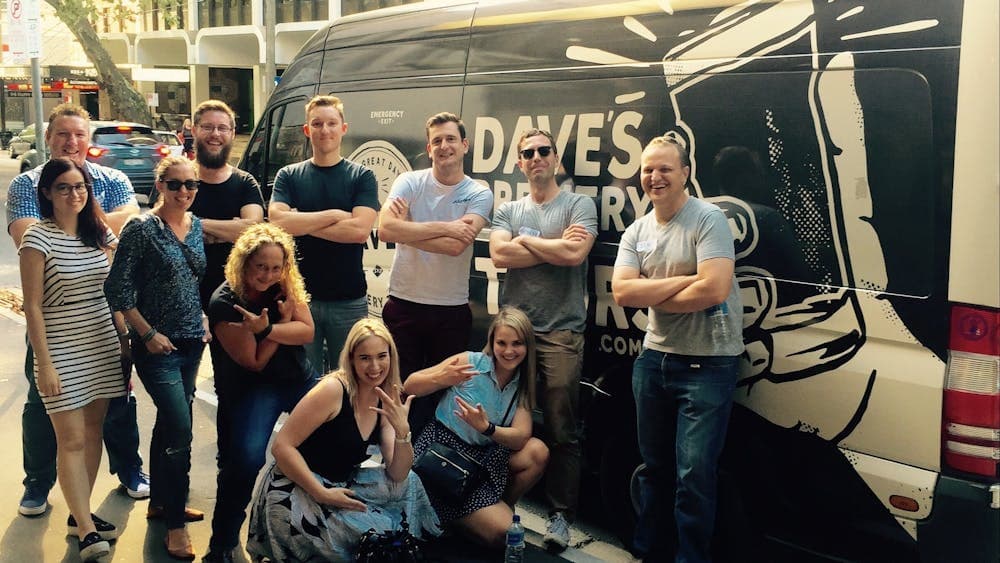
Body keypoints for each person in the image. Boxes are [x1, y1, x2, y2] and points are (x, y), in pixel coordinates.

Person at [5, 102, 149, 517]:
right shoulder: (27, 185)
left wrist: (88, 210)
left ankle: (129, 471)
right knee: (42, 404)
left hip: (102, 325)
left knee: (118, 404)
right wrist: (89, 216)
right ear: (48, 138)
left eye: (79, 134)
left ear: (90, 139)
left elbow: (126, 231)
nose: (72, 142)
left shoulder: (113, 178)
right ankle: (38, 484)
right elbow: (27, 236)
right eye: (63, 134)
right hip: (55, 324)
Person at [611, 136, 743, 563]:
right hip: (654, 362)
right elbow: (621, 293)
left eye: (665, 168)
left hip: (708, 365)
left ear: (686, 173)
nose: (655, 177)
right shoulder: (637, 229)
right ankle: (648, 553)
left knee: (694, 477)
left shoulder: (708, 219)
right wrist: (687, 282)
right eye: (648, 169)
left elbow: (715, 288)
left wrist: (649, 293)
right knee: (655, 470)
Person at [247, 318, 440, 561]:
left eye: (382, 356)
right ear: (351, 359)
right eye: (364, 358)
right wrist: (321, 493)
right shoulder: (333, 390)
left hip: (340, 482)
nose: (375, 366)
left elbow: (398, 473)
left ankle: (407, 546)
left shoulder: (386, 393)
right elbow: (282, 446)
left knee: (410, 483)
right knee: (377, 533)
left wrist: (403, 432)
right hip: (297, 487)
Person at [488, 128, 597, 550]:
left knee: (561, 427)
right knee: (501, 418)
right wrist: (552, 244)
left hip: (561, 332)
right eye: (527, 153)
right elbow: (500, 255)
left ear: (556, 159)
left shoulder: (577, 204)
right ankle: (494, 500)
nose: (536, 158)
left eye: (543, 151)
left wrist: (527, 240)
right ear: (520, 163)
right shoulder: (509, 208)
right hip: (514, 333)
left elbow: (574, 255)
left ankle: (560, 516)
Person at [19, 157, 126, 561]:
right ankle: (84, 529)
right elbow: (32, 307)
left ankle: (81, 513)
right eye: (63, 187)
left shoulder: (97, 234)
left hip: (100, 343)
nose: (74, 193)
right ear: (47, 193)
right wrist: (44, 364)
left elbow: (117, 286)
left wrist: (124, 339)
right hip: (60, 349)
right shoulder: (37, 239)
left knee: (94, 431)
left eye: (79, 186)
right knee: (72, 438)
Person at [105, 156, 210, 561]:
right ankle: (175, 527)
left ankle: (162, 502)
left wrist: (201, 316)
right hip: (157, 347)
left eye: (191, 185)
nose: (184, 192)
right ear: (160, 184)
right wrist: (146, 334)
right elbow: (117, 289)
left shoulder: (196, 224)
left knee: (170, 424)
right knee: (181, 432)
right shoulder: (141, 228)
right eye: (175, 184)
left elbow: (191, 280)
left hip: (191, 343)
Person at [202, 223, 320, 563]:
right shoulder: (226, 302)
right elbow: (253, 361)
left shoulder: (285, 284)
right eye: (261, 267)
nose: (269, 275)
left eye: (276, 267)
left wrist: (269, 328)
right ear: (244, 264)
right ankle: (222, 544)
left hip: (296, 377)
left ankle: (307, 530)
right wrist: (275, 329)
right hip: (251, 389)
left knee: (330, 436)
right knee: (245, 461)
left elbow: (307, 331)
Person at [377, 111, 493, 436]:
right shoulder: (410, 181)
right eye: (437, 141)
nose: (444, 146)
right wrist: (445, 227)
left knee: (443, 395)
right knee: (399, 392)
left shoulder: (479, 193)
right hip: (404, 303)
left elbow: (457, 246)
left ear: (465, 145)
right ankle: (397, 466)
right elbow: (385, 229)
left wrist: (408, 228)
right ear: (429, 149)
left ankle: (431, 469)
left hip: (450, 310)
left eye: (451, 139)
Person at [403, 307, 549, 547]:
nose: (509, 351)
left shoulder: (523, 382)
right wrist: (442, 378)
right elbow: (410, 385)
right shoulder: (469, 362)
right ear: (492, 342)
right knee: (504, 534)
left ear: (527, 346)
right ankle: (460, 516)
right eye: (502, 342)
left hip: (481, 459)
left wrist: (487, 428)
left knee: (537, 451)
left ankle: (490, 509)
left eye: (517, 343)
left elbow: (521, 437)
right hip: (442, 456)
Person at [268, 95, 379, 372]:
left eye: (331, 123)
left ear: (343, 128)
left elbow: (358, 230)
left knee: (352, 380)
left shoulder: (362, 176)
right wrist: (333, 216)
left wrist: (300, 221)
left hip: (348, 300)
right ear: (307, 130)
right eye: (317, 124)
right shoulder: (289, 176)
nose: (324, 130)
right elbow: (277, 222)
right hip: (299, 298)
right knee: (305, 382)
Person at [187, 99, 264, 310]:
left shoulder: (245, 183)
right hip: (184, 299)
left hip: (234, 296)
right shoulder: (178, 181)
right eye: (207, 127)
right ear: (194, 130)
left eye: (222, 128)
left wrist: (194, 224)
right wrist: (229, 229)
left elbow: (253, 232)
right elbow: (165, 230)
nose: (215, 134)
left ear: (232, 133)